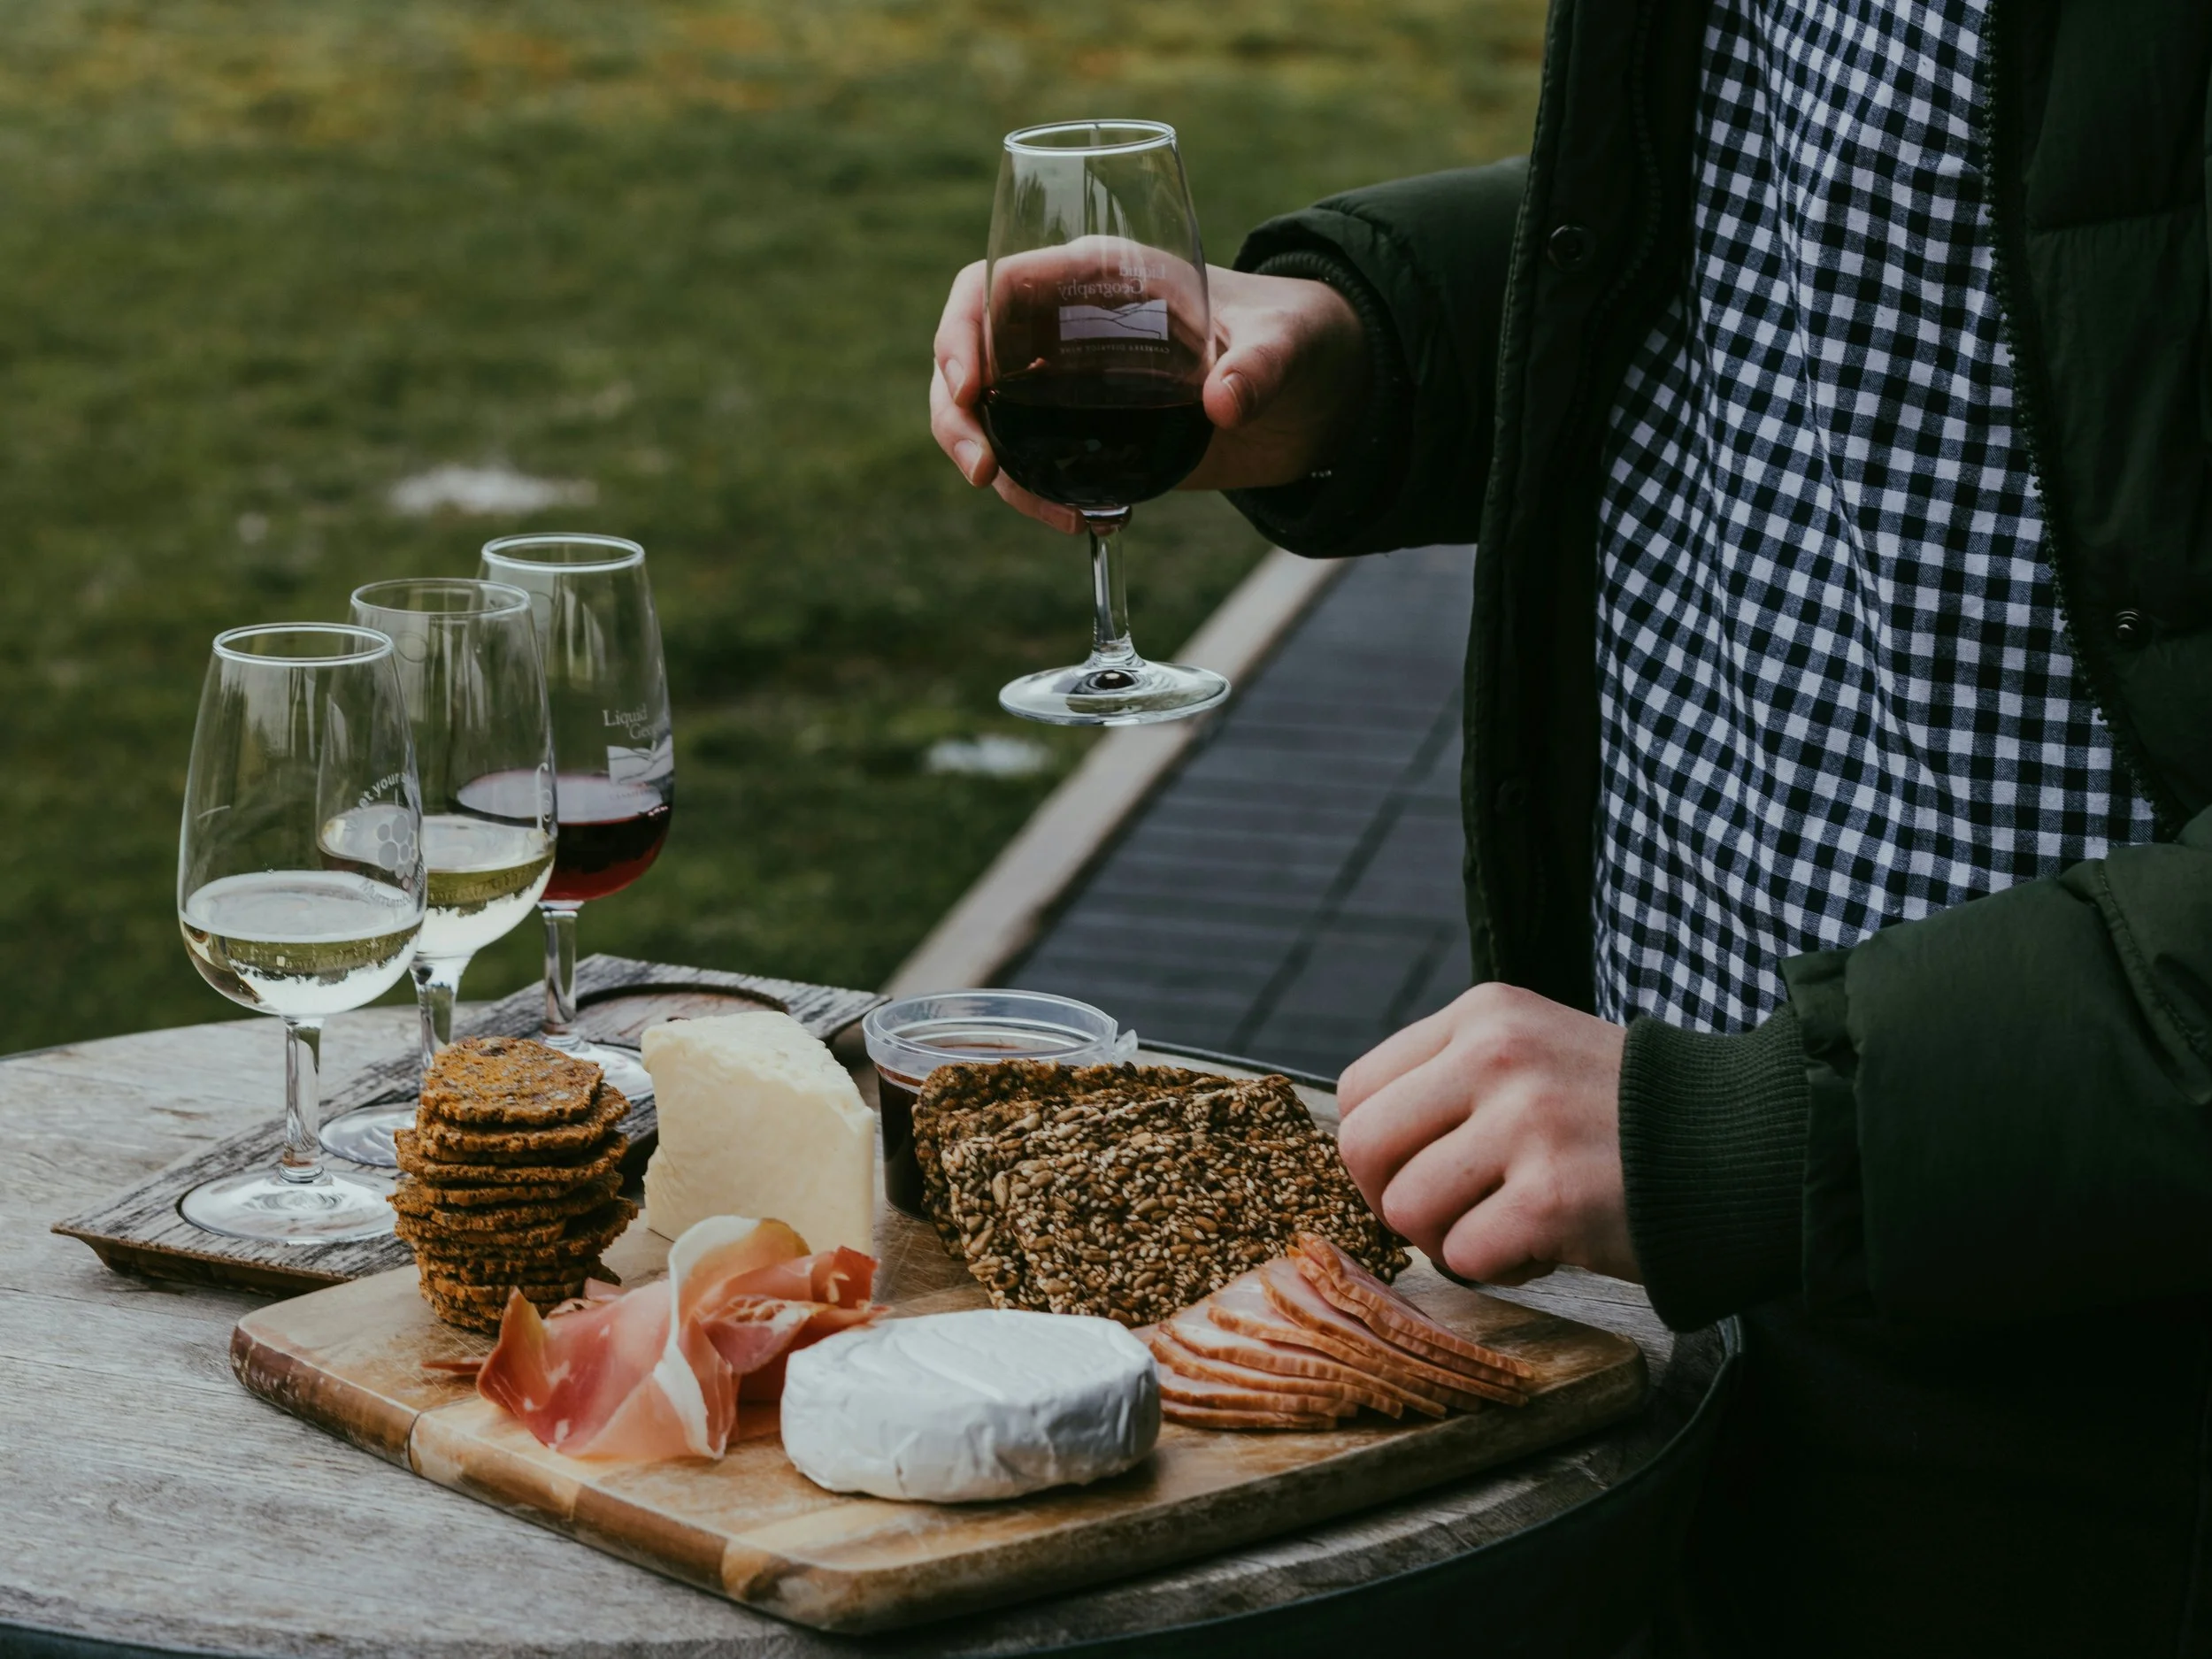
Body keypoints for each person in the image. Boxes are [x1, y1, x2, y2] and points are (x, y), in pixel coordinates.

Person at [933, 2, 2212, 1652]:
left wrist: (1772, 1126)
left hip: (2084, 1372)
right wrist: (1364, 336)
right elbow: (1825, 247)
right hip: (1648, 1281)